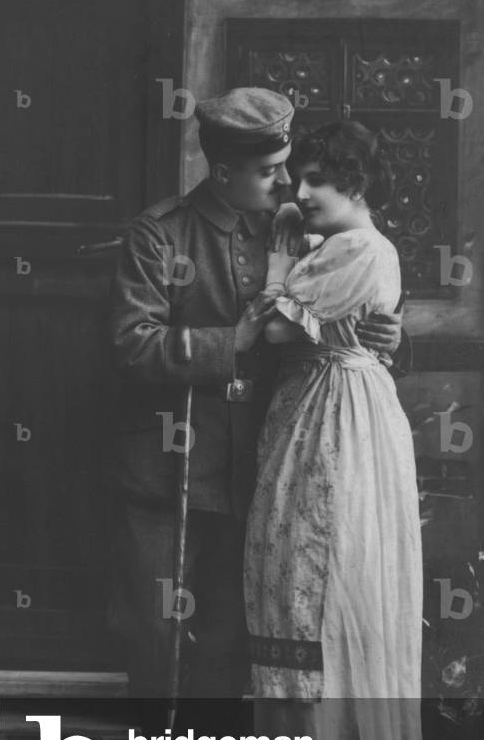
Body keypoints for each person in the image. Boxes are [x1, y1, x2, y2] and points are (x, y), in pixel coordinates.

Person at [107, 90, 403, 700]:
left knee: (234, 636)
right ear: (222, 172)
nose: (287, 184)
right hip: (174, 466)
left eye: (289, 169)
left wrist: (393, 327)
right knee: (157, 631)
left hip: (266, 467)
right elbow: (132, 346)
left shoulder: (299, 226)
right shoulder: (161, 234)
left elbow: (350, 297)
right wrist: (229, 340)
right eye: (271, 172)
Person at [244, 121, 442, 740]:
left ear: (354, 183)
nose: (297, 192)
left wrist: (274, 261)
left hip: (339, 422)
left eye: (314, 180)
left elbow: (269, 333)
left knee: (329, 593)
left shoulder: (361, 248)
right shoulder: (336, 247)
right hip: (312, 406)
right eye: (294, 177)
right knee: (300, 599)